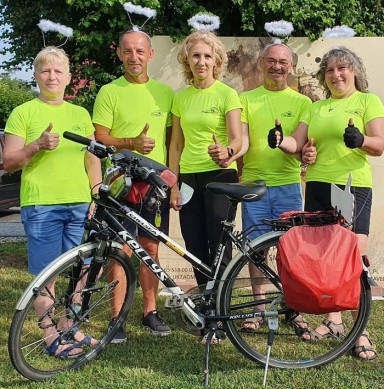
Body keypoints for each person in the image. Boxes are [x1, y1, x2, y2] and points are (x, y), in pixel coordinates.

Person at [279, 46, 384, 361]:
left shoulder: (368, 101)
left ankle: (361, 331)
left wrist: (361, 141)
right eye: (330, 70)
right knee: (324, 258)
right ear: (324, 76)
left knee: (353, 256)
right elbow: (296, 144)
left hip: (352, 186)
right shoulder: (316, 107)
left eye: (342, 68)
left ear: (354, 71)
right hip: (317, 184)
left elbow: (379, 145)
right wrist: (279, 140)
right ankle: (334, 320)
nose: (336, 74)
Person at [2, 46, 102, 358]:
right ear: (35, 75)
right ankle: (50, 336)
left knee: (81, 270)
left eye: (59, 71)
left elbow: (91, 158)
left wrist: (96, 191)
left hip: (79, 204)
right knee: (47, 275)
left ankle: (71, 327)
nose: (52, 76)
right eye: (45, 70)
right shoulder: (23, 113)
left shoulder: (80, 114)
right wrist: (37, 146)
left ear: (69, 78)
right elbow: (9, 162)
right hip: (42, 205)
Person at [93, 28, 174, 343]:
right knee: (121, 248)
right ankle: (118, 316)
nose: (134, 57)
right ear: (119, 54)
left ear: (150, 55)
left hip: (155, 181)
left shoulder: (165, 93)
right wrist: (131, 143)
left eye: (140, 51)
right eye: (128, 51)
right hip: (122, 181)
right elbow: (100, 137)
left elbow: (171, 141)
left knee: (151, 247)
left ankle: (150, 312)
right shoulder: (109, 91)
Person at [168, 30, 242, 319]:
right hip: (188, 178)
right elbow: (175, 144)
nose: (201, 61)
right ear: (188, 60)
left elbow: (237, 139)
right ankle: (207, 305)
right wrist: (174, 184)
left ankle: (221, 310)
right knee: (194, 245)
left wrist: (227, 151)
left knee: (219, 246)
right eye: (196, 55)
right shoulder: (180, 98)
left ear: (216, 62)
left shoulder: (227, 94)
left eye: (207, 56)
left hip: (220, 177)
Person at [238, 42, 311, 332]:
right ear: (261, 63)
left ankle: (293, 308)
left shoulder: (303, 102)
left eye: (282, 61)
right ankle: (257, 309)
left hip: (289, 186)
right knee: (256, 250)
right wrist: (232, 153)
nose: (276, 66)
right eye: (271, 60)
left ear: (290, 65)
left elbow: (299, 144)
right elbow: (242, 141)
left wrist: (282, 142)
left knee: (290, 251)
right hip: (254, 185)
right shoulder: (245, 99)